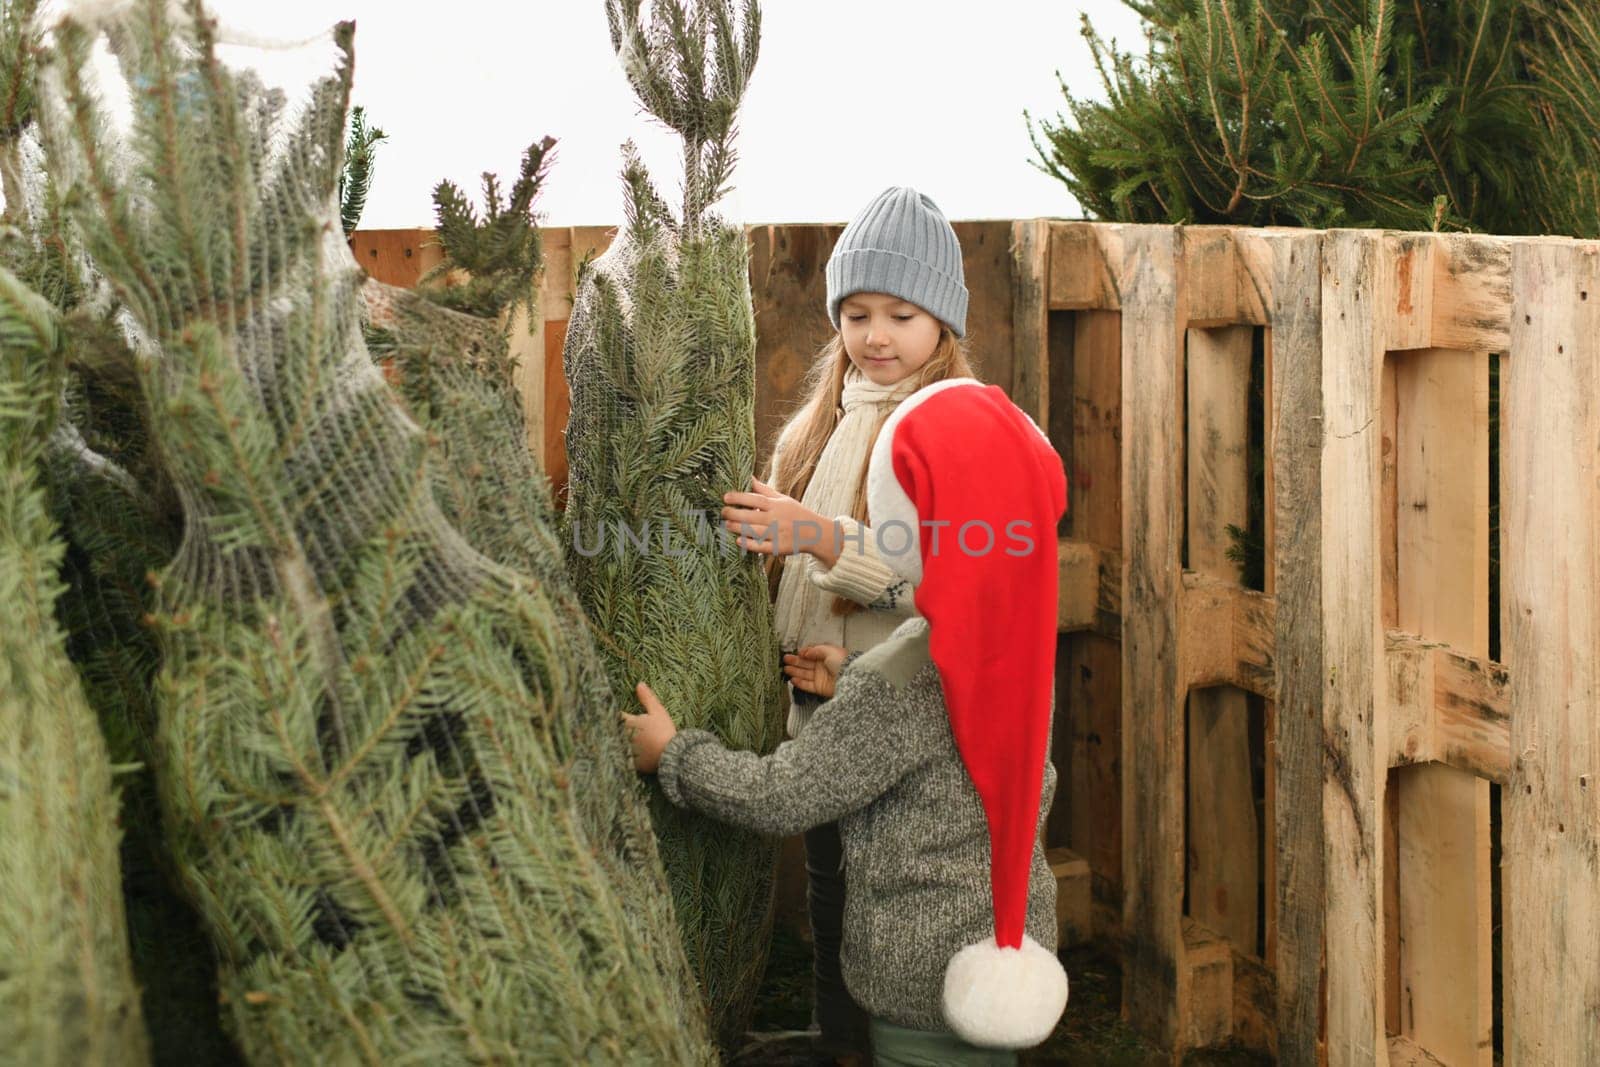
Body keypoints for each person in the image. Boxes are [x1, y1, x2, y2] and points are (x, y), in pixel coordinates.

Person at [628, 378, 1071, 1066]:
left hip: (919, 981)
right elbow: (945, 741)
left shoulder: (902, 680)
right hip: (1004, 942)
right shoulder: (1021, 645)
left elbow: (785, 794)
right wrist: (857, 673)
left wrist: (674, 754)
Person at [715, 185, 978, 1061]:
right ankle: (840, 1042)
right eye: (858, 313)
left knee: (882, 899)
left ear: (943, 323)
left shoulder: (946, 426)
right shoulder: (827, 421)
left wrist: (819, 535)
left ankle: (894, 1040)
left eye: (903, 314)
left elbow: (948, 581)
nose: (877, 335)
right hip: (820, 700)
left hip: (892, 709)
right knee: (829, 888)